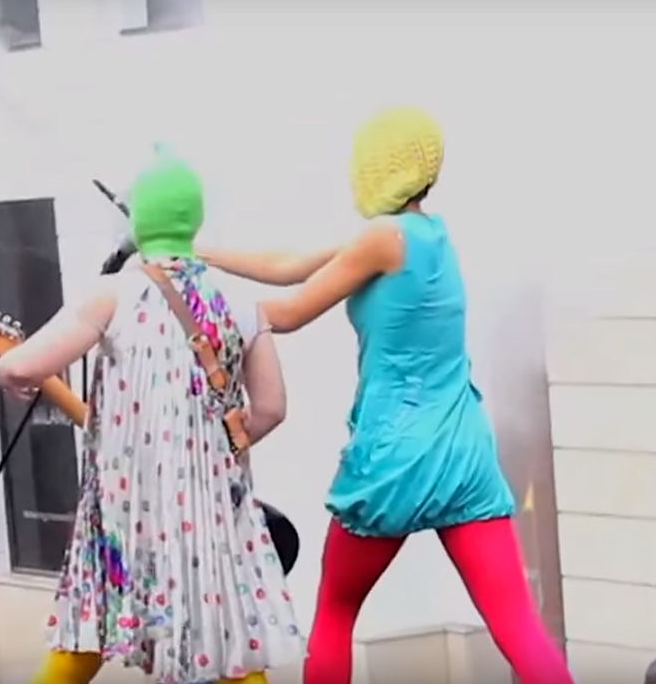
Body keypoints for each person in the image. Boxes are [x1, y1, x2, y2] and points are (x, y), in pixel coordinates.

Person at [201, 107, 573, 684]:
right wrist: (199, 255)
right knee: (518, 625)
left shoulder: (380, 238)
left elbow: (290, 311)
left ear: (378, 167)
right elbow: (289, 265)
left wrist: (196, 309)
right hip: (464, 455)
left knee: (336, 612)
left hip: (392, 459)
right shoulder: (432, 235)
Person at [0, 149, 304, 684]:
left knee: (86, 635)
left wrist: (6, 371)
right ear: (194, 219)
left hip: (129, 508)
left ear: (140, 221)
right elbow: (273, 407)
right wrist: (214, 450)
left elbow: (24, 365)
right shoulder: (240, 298)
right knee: (227, 638)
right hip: (213, 513)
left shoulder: (113, 295)